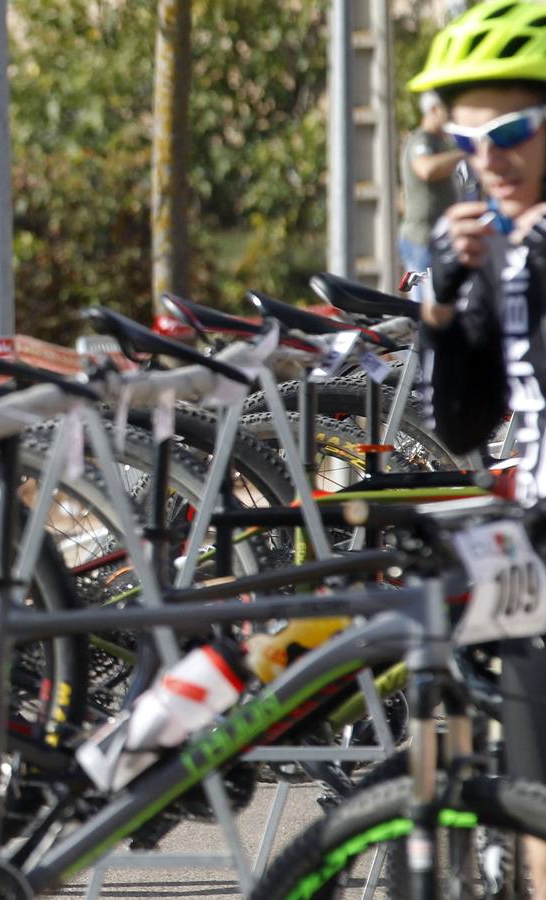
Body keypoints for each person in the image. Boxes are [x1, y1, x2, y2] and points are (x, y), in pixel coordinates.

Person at [410, 1, 546, 886]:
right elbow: (462, 424)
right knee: (536, 796)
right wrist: (444, 304)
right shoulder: (502, 250)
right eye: (467, 142)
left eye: (510, 131)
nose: (488, 160)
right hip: (537, 546)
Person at [400, 90, 465, 287]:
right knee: (424, 307)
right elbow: (426, 169)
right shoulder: (422, 140)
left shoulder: (439, 142)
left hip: (436, 240)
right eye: (448, 110)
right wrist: (465, 153)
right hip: (422, 241)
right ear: (434, 110)